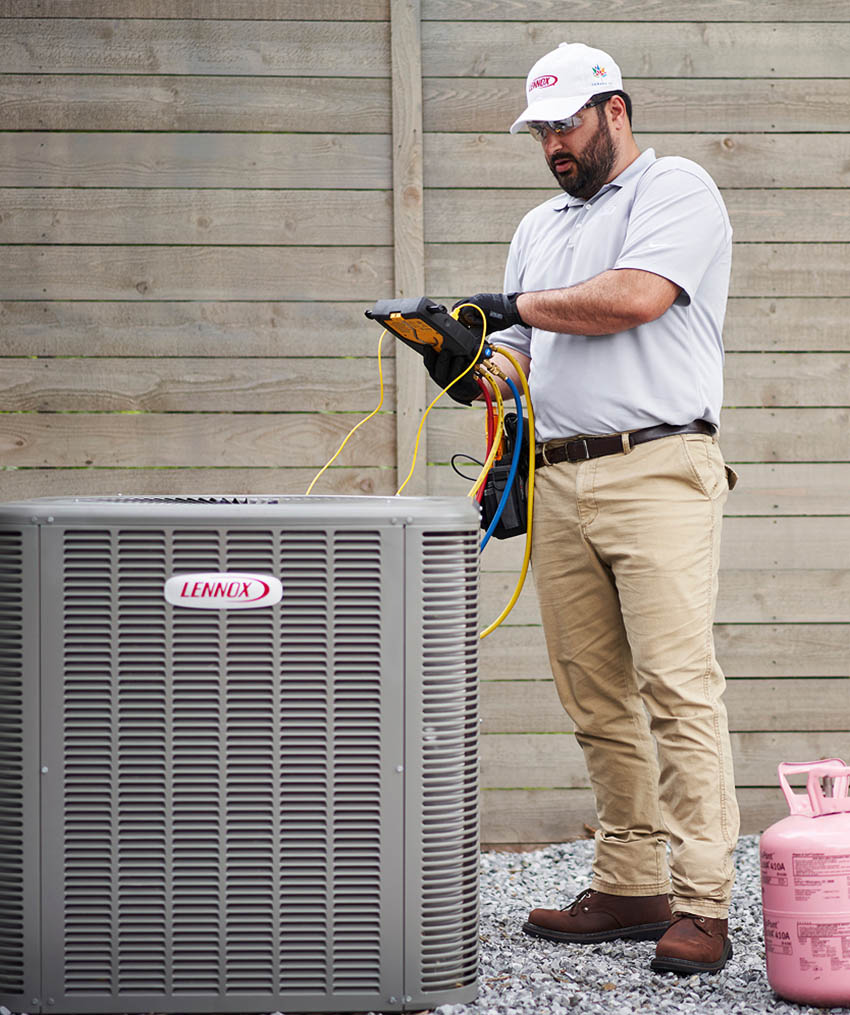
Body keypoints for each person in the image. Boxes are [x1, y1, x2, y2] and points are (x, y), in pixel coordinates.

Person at [424, 42, 740, 975]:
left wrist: (508, 304)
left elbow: (635, 298)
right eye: (542, 131)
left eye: (567, 123)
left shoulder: (677, 190)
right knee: (594, 695)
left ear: (615, 109)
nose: (555, 144)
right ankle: (632, 880)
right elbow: (521, 352)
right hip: (558, 474)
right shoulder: (539, 225)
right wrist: (460, 358)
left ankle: (706, 902)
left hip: (659, 466)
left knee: (679, 688)